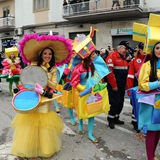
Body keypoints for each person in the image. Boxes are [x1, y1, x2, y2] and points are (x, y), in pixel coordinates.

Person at [11, 34, 72, 158]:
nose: (47, 56)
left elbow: (54, 86)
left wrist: (43, 79)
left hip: (45, 97)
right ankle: (29, 146)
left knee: (44, 122)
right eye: (45, 53)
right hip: (33, 96)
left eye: (50, 54)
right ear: (41, 54)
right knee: (31, 120)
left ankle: (45, 148)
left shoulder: (54, 69)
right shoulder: (34, 64)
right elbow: (27, 78)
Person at [138, 42, 160, 160]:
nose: (159, 50)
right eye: (157, 48)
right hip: (151, 103)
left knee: (159, 131)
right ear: (153, 50)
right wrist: (157, 83)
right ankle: (150, 157)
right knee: (152, 130)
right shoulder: (147, 65)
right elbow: (142, 85)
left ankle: (153, 154)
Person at [106, 40, 129, 129]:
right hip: (114, 86)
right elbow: (110, 73)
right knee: (115, 103)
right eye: (125, 48)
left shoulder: (124, 58)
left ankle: (116, 117)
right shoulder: (112, 57)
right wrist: (114, 85)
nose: (126, 50)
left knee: (121, 103)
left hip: (122, 85)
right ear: (119, 48)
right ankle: (110, 119)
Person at [126, 42, 148, 132]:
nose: (144, 50)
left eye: (146, 48)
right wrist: (129, 90)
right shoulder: (134, 61)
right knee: (136, 106)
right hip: (137, 88)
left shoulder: (152, 60)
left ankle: (145, 124)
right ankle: (135, 123)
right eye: (142, 48)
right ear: (139, 49)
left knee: (147, 106)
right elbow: (130, 76)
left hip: (149, 88)